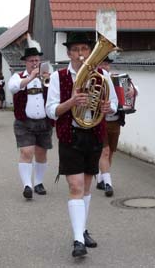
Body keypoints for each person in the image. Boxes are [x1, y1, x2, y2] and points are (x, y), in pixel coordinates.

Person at [46, 33, 118, 257]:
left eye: (84, 49)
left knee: (86, 188)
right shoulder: (59, 77)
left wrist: (109, 108)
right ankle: (78, 240)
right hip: (71, 136)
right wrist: (71, 102)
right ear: (68, 53)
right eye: (75, 50)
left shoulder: (102, 75)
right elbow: (52, 110)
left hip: (94, 134)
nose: (80, 54)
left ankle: (82, 230)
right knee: (76, 187)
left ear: (90, 52)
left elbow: (114, 104)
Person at [8, 47, 53, 200]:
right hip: (24, 122)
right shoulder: (18, 77)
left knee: (41, 153)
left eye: (37, 60)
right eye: (32, 60)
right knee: (26, 152)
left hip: (44, 121)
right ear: (26, 62)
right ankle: (27, 185)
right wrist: (31, 78)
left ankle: (38, 183)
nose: (35, 63)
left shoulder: (47, 76)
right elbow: (13, 88)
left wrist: (48, 79)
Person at [95, 57, 134, 197]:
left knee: (110, 152)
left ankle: (101, 178)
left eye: (107, 64)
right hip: (101, 120)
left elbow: (133, 89)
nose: (105, 66)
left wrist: (132, 91)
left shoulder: (118, 79)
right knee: (104, 151)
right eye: (102, 63)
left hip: (115, 120)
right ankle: (108, 184)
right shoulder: (96, 80)